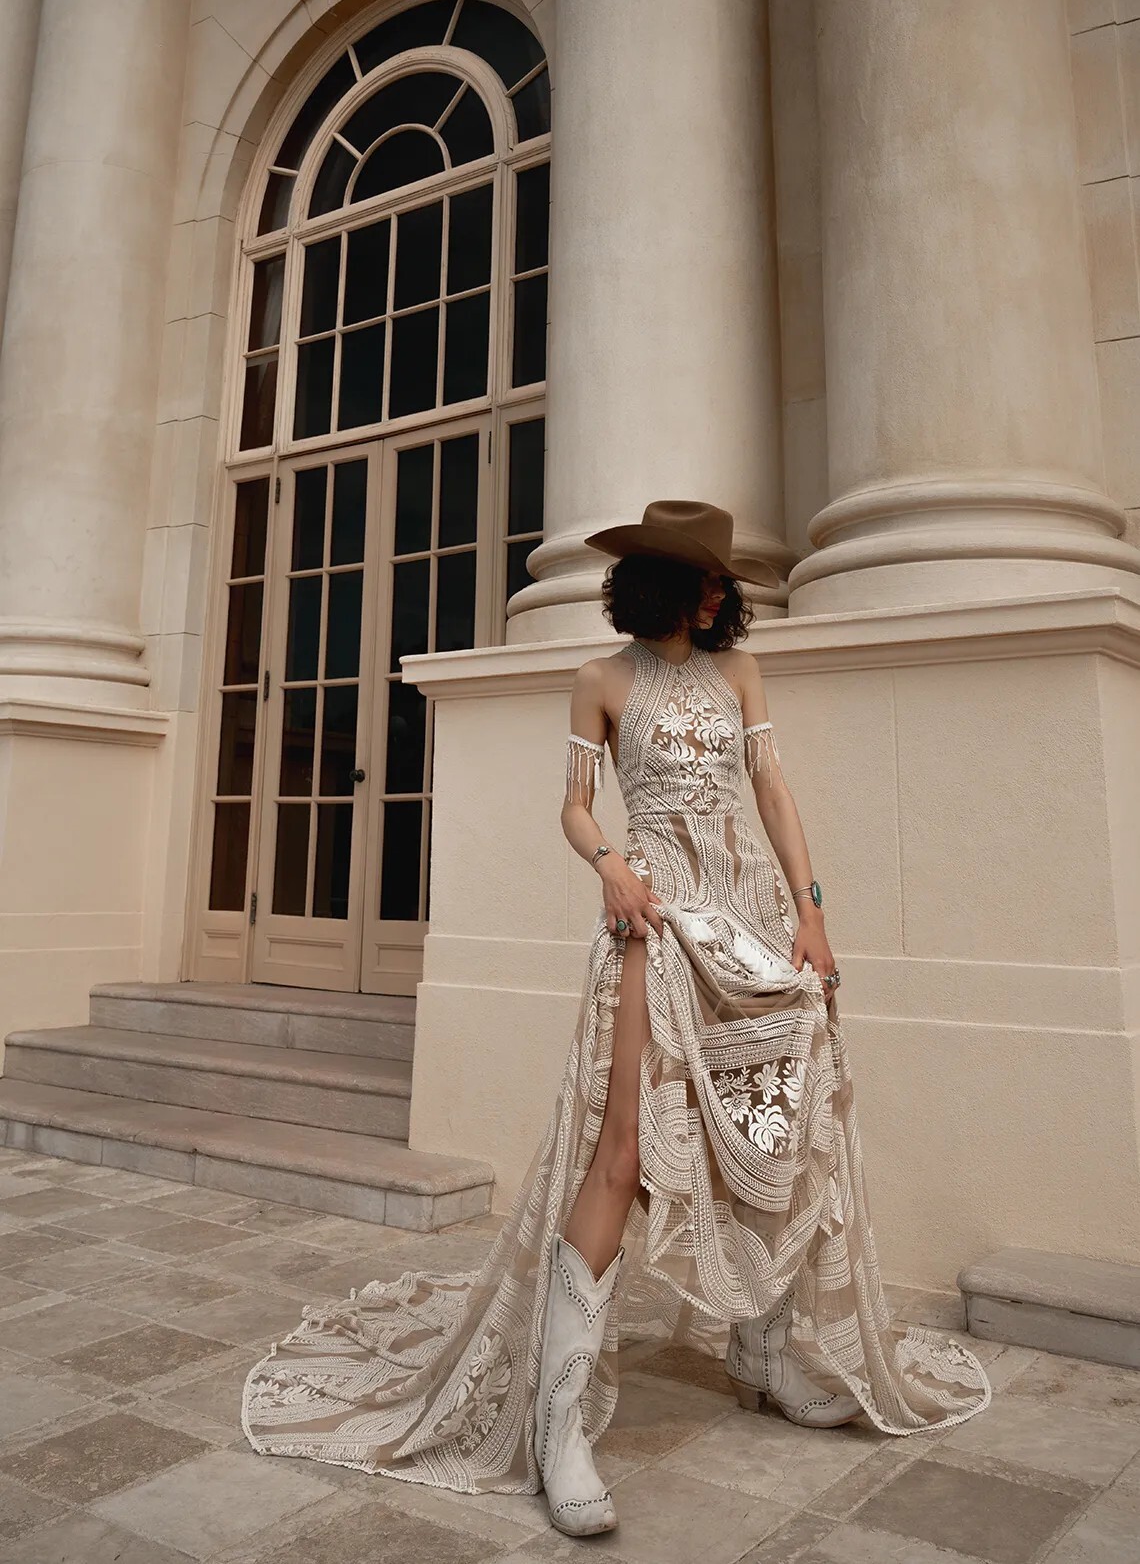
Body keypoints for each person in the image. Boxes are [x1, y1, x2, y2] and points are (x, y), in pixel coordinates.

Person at [242, 499, 991, 1540]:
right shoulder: (601, 678)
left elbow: (771, 789)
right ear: (659, 582)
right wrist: (611, 866)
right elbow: (574, 804)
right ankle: (559, 1425)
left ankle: (765, 1353)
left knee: (780, 1128)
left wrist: (812, 910)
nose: (720, 591)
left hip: (752, 917)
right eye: (704, 576)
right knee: (623, 1148)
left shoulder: (739, 673)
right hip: (657, 915)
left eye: (722, 579)